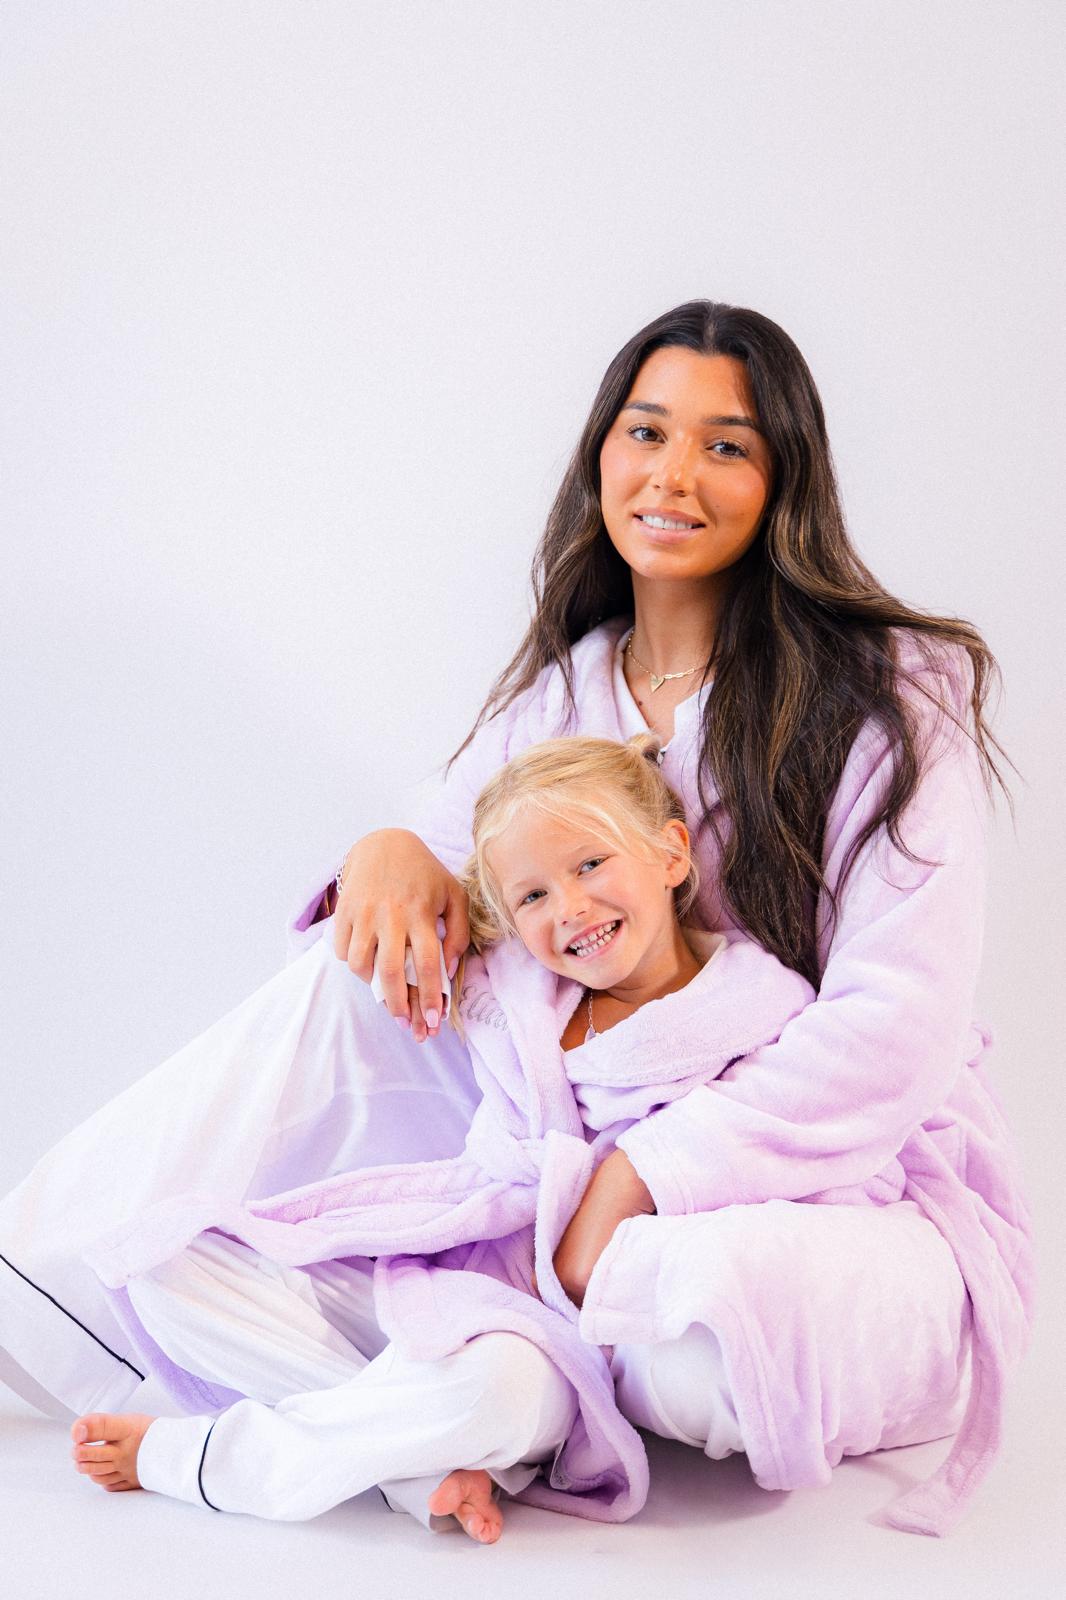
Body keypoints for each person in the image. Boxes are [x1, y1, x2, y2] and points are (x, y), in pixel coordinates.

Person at [1, 299, 1034, 1539]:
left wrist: (644, 1179)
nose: (673, 474)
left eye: (725, 445)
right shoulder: (565, 691)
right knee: (341, 992)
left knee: (686, 1342)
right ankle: (45, 1277)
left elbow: (898, 1025)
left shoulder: (887, 697)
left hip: (823, 1184)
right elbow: (440, 862)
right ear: (600, 452)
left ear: (783, 482)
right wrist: (387, 852)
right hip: (574, 1178)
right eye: (645, 431)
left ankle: (473, 1396)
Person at [67, 733, 801, 1540]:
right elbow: (354, 945)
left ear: (671, 853)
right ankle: (418, 1467)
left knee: (492, 1392)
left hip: (555, 1341)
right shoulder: (516, 986)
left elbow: (772, 1174)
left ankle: (213, 1461)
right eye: (533, 895)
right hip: (446, 1271)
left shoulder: (761, 1018)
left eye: (591, 864)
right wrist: (382, 847)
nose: (569, 908)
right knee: (164, 1263)